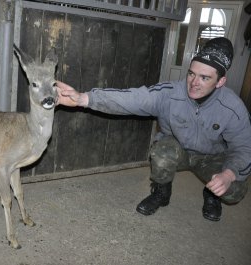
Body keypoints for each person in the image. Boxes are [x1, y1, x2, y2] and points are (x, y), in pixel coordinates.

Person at [56, 37, 251, 221]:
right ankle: (161, 192)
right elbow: (132, 99)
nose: (194, 83)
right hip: (178, 149)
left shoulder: (233, 108)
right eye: (191, 73)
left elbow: (245, 147)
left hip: (212, 158)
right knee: (161, 152)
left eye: (204, 78)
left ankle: (212, 196)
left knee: (234, 189)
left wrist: (228, 174)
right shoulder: (170, 93)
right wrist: (84, 99)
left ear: (220, 81)